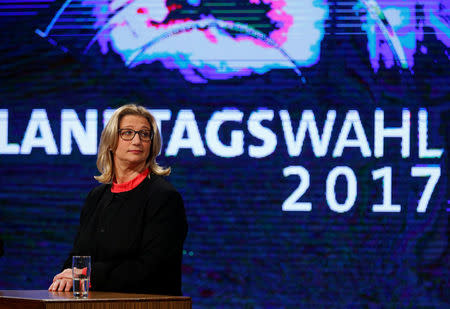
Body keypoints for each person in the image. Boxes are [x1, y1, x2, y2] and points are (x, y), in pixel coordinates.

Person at [48, 104, 188, 295]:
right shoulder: (96, 197)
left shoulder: (164, 197)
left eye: (145, 134)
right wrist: (66, 275)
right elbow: (78, 257)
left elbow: (153, 267)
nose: (137, 140)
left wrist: (88, 275)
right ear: (111, 141)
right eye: (128, 133)